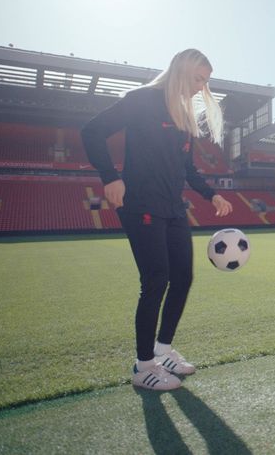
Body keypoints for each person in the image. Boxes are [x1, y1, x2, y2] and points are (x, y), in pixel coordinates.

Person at [81, 48, 233, 390]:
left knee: (183, 278)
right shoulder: (142, 100)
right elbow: (92, 131)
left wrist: (212, 194)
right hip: (141, 205)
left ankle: (163, 352)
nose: (200, 87)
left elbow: (188, 169)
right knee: (156, 280)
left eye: (205, 81)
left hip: (173, 208)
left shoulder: (184, 117)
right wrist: (110, 176)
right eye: (197, 78)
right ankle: (143, 366)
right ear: (180, 70)